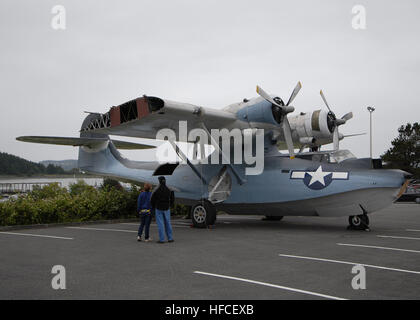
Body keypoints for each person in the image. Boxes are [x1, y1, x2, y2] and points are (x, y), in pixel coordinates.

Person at [151, 176, 175, 243]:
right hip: (167, 207)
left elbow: (152, 199)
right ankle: (170, 238)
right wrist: (171, 204)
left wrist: (153, 207)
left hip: (158, 208)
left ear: (159, 181)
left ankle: (162, 239)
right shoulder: (169, 188)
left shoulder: (156, 189)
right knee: (168, 223)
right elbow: (172, 196)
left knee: (160, 224)